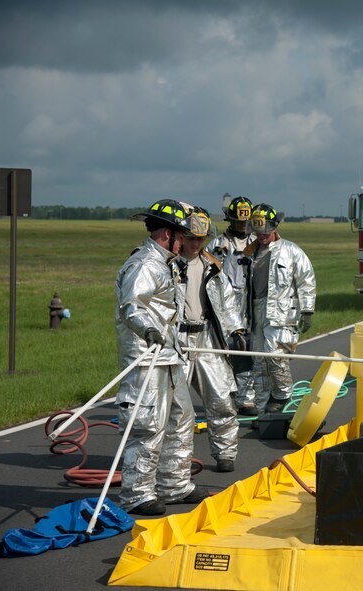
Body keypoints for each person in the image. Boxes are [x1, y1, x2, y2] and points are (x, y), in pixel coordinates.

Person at [115, 199, 207, 516]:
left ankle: (174, 485)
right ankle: (137, 494)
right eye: (182, 236)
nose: (187, 242)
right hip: (145, 358)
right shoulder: (144, 265)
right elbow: (132, 307)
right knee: (147, 424)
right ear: (167, 234)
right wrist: (148, 331)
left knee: (182, 419)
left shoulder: (166, 263)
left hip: (168, 356)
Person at [178, 206, 246, 473]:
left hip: (207, 339)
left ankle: (225, 452)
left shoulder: (213, 267)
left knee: (221, 399)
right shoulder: (168, 266)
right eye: (191, 238)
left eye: (200, 238)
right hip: (178, 341)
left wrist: (236, 330)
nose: (195, 244)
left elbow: (227, 303)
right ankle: (175, 464)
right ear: (181, 236)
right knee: (176, 408)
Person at [243, 203, 316, 414]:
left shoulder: (291, 251)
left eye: (265, 231)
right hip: (255, 312)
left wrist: (307, 310)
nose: (262, 236)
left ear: (274, 227)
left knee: (276, 357)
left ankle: (283, 398)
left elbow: (306, 281)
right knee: (258, 360)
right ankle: (262, 404)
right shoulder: (248, 252)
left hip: (282, 313)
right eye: (257, 232)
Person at [206, 194, 257, 415]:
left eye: (246, 222)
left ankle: (246, 398)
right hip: (225, 301)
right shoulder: (217, 244)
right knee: (225, 349)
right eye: (239, 221)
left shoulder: (257, 241)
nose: (243, 226)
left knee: (247, 348)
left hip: (251, 300)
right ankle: (226, 396)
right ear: (231, 219)